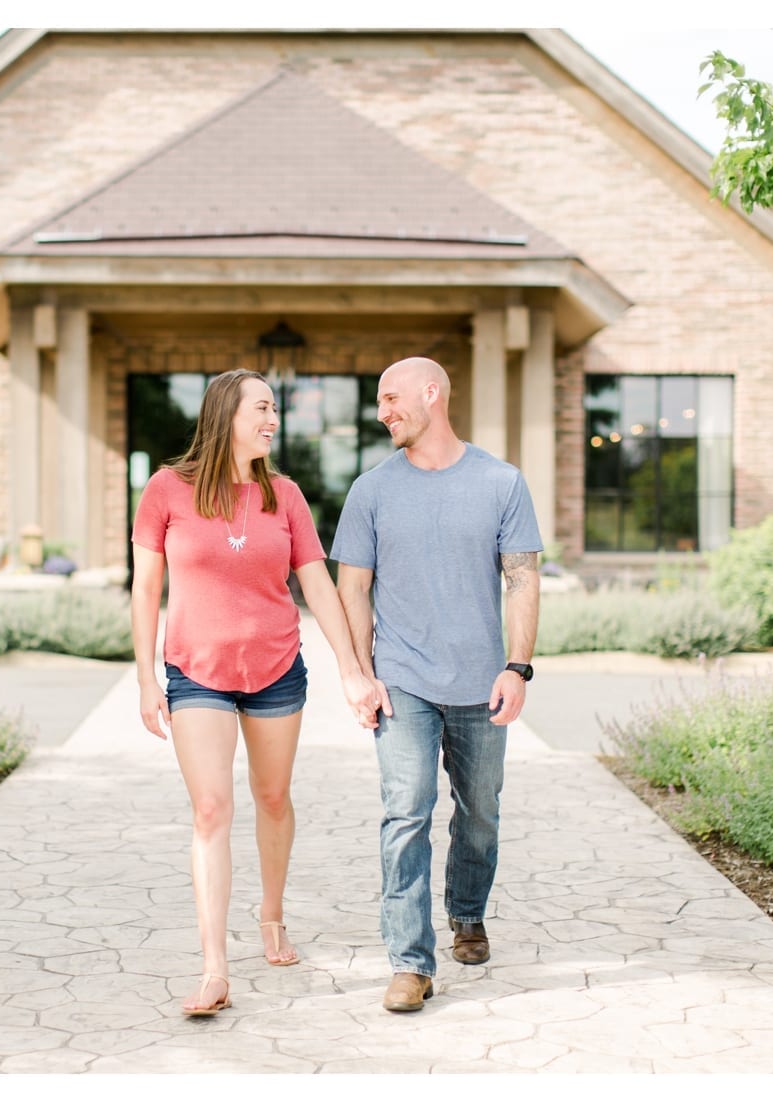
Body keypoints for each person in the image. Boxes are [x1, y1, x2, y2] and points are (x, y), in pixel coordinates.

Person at [130, 367, 381, 1018]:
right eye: (263, 408)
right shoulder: (167, 490)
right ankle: (215, 967)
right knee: (211, 810)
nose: (273, 419)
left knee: (272, 798)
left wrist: (353, 668)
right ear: (225, 414)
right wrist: (144, 677)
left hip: (274, 667)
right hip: (196, 671)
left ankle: (271, 916)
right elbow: (145, 588)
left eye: (276, 410)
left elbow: (318, 588)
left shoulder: (286, 496)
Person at [332, 356, 542, 1013]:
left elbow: (522, 577)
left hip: (480, 682)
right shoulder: (372, 490)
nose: (382, 411)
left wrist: (518, 665)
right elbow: (352, 586)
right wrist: (361, 673)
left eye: (391, 397)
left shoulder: (500, 482)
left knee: (480, 812)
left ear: (432, 392)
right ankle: (410, 963)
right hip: (403, 681)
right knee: (408, 810)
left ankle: (468, 913)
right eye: (378, 401)